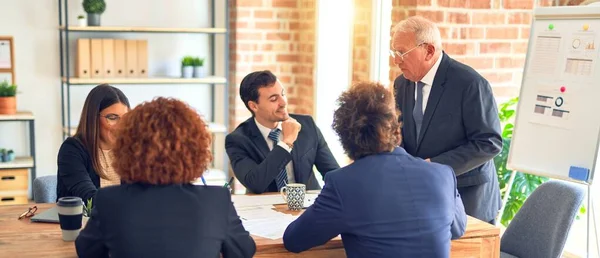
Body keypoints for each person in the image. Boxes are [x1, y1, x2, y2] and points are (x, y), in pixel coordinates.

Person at [283, 82, 466, 257]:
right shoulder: (442, 174)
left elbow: (294, 240)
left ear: (345, 137)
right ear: (396, 129)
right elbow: (457, 229)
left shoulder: (343, 184)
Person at [75, 97, 256, 258]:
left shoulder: (110, 200)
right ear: (194, 150)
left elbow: (86, 251)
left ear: (128, 148)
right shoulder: (217, 200)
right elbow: (244, 251)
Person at [391, 15, 503, 224]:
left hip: (467, 197)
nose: (396, 60)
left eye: (401, 53)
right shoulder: (402, 83)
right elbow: (404, 133)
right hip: (424, 195)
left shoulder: (469, 83)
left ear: (429, 51)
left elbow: (489, 143)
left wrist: (434, 165)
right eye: (394, 52)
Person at [225, 70, 340, 194]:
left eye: (283, 94)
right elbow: (255, 183)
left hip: (307, 207)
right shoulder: (238, 140)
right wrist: (286, 143)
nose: (283, 102)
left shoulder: (307, 125)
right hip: (265, 209)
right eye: (274, 99)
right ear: (254, 106)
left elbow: (333, 174)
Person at [56, 84, 130, 202]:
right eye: (112, 117)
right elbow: (89, 198)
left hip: (123, 219)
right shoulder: (71, 150)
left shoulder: (131, 150)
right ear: (93, 118)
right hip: (84, 220)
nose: (121, 126)